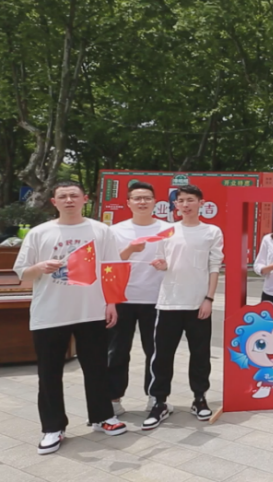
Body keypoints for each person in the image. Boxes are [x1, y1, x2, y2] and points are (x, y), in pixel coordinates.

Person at [14, 181, 128, 454]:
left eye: (74, 195)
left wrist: (112, 302)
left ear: (84, 199)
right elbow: (22, 272)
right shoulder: (40, 233)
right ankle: (53, 427)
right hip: (50, 313)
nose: (68, 200)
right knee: (49, 373)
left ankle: (102, 416)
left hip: (91, 311)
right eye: (62, 196)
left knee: (96, 367)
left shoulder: (100, 230)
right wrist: (40, 267)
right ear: (54, 202)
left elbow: (112, 268)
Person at [143, 185, 223, 430]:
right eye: (181, 201)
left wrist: (209, 299)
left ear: (201, 203)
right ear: (175, 205)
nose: (186, 205)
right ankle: (159, 402)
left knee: (200, 354)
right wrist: (161, 265)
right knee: (162, 356)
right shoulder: (167, 231)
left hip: (198, 304)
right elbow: (164, 262)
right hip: (169, 302)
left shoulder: (212, 231)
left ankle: (199, 398)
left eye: (190, 200)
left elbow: (214, 267)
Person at [108, 182, 171, 416]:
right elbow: (108, 264)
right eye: (137, 198)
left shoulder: (168, 230)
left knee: (156, 351)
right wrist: (129, 250)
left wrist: (166, 264)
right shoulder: (116, 231)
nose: (142, 202)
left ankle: (155, 397)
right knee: (116, 351)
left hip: (157, 299)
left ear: (155, 202)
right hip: (122, 299)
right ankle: (113, 399)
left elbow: (177, 260)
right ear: (128, 203)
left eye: (147, 198)